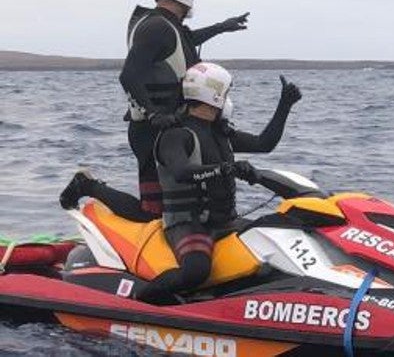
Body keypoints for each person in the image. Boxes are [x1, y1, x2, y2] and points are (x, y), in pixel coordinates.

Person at [62, 63, 301, 300]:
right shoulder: (176, 135)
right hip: (187, 223)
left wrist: (285, 105)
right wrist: (226, 168)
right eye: (226, 92)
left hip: (225, 221)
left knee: (275, 233)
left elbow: (264, 144)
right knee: (195, 271)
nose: (228, 99)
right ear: (214, 95)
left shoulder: (220, 134)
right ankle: (140, 302)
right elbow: (182, 172)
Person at [120, 0, 250, 215]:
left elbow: (185, 40)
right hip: (153, 130)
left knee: (179, 202)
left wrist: (222, 27)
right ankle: (90, 187)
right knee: (155, 210)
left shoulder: (165, 25)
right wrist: (154, 114)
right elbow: (128, 75)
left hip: (168, 125)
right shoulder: (155, 27)